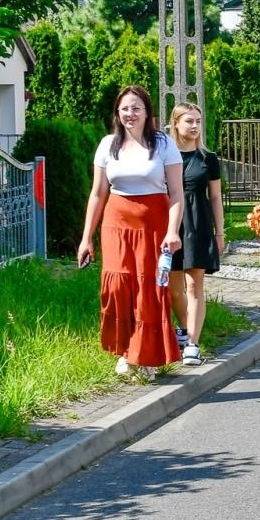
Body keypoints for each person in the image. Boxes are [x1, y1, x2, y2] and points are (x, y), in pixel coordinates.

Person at [77, 85, 184, 378]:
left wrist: (172, 231)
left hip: (153, 223)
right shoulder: (107, 144)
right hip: (115, 223)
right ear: (117, 113)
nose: (130, 114)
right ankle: (125, 351)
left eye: (136, 108)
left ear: (147, 111)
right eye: (124, 108)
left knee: (148, 288)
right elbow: (98, 193)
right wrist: (87, 237)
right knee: (117, 287)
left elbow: (176, 194)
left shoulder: (163, 144)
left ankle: (146, 356)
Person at [166, 103, 224, 367]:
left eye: (198, 121)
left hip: (199, 224)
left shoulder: (208, 159)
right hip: (171, 224)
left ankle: (192, 344)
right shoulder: (165, 157)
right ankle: (183, 328)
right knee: (173, 287)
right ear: (175, 123)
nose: (195, 126)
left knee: (194, 285)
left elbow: (215, 197)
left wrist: (220, 232)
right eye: (189, 121)